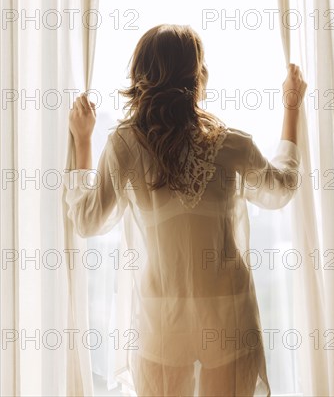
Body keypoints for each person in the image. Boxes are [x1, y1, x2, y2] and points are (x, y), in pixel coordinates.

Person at [63, 24, 307, 397]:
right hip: (227, 314)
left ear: (141, 76)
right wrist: (291, 108)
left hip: (162, 319)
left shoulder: (124, 144)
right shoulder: (232, 144)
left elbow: (87, 219)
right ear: (198, 75)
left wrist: (82, 141)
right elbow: (282, 188)